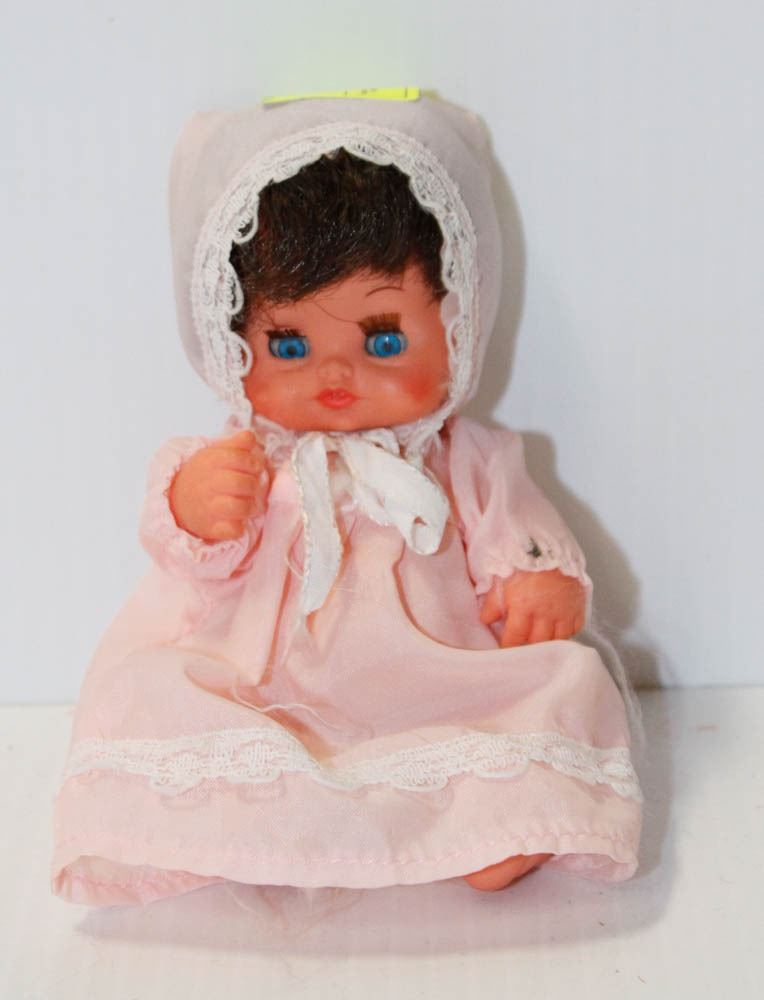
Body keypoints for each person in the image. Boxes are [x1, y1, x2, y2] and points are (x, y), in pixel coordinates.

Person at [51, 93, 642, 907]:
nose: (335, 373)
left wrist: (539, 579)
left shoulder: (462, 457)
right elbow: (189, 563)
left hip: (435, 688)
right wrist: (196, 508)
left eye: (383, 338)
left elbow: (518, 529)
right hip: (268, 692)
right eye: (288, 343)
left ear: (459, 323)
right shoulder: (242, 458)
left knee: (563, 684)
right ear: (229, 340)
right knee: (146, 692)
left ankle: (502, 818)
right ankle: (226, 823)